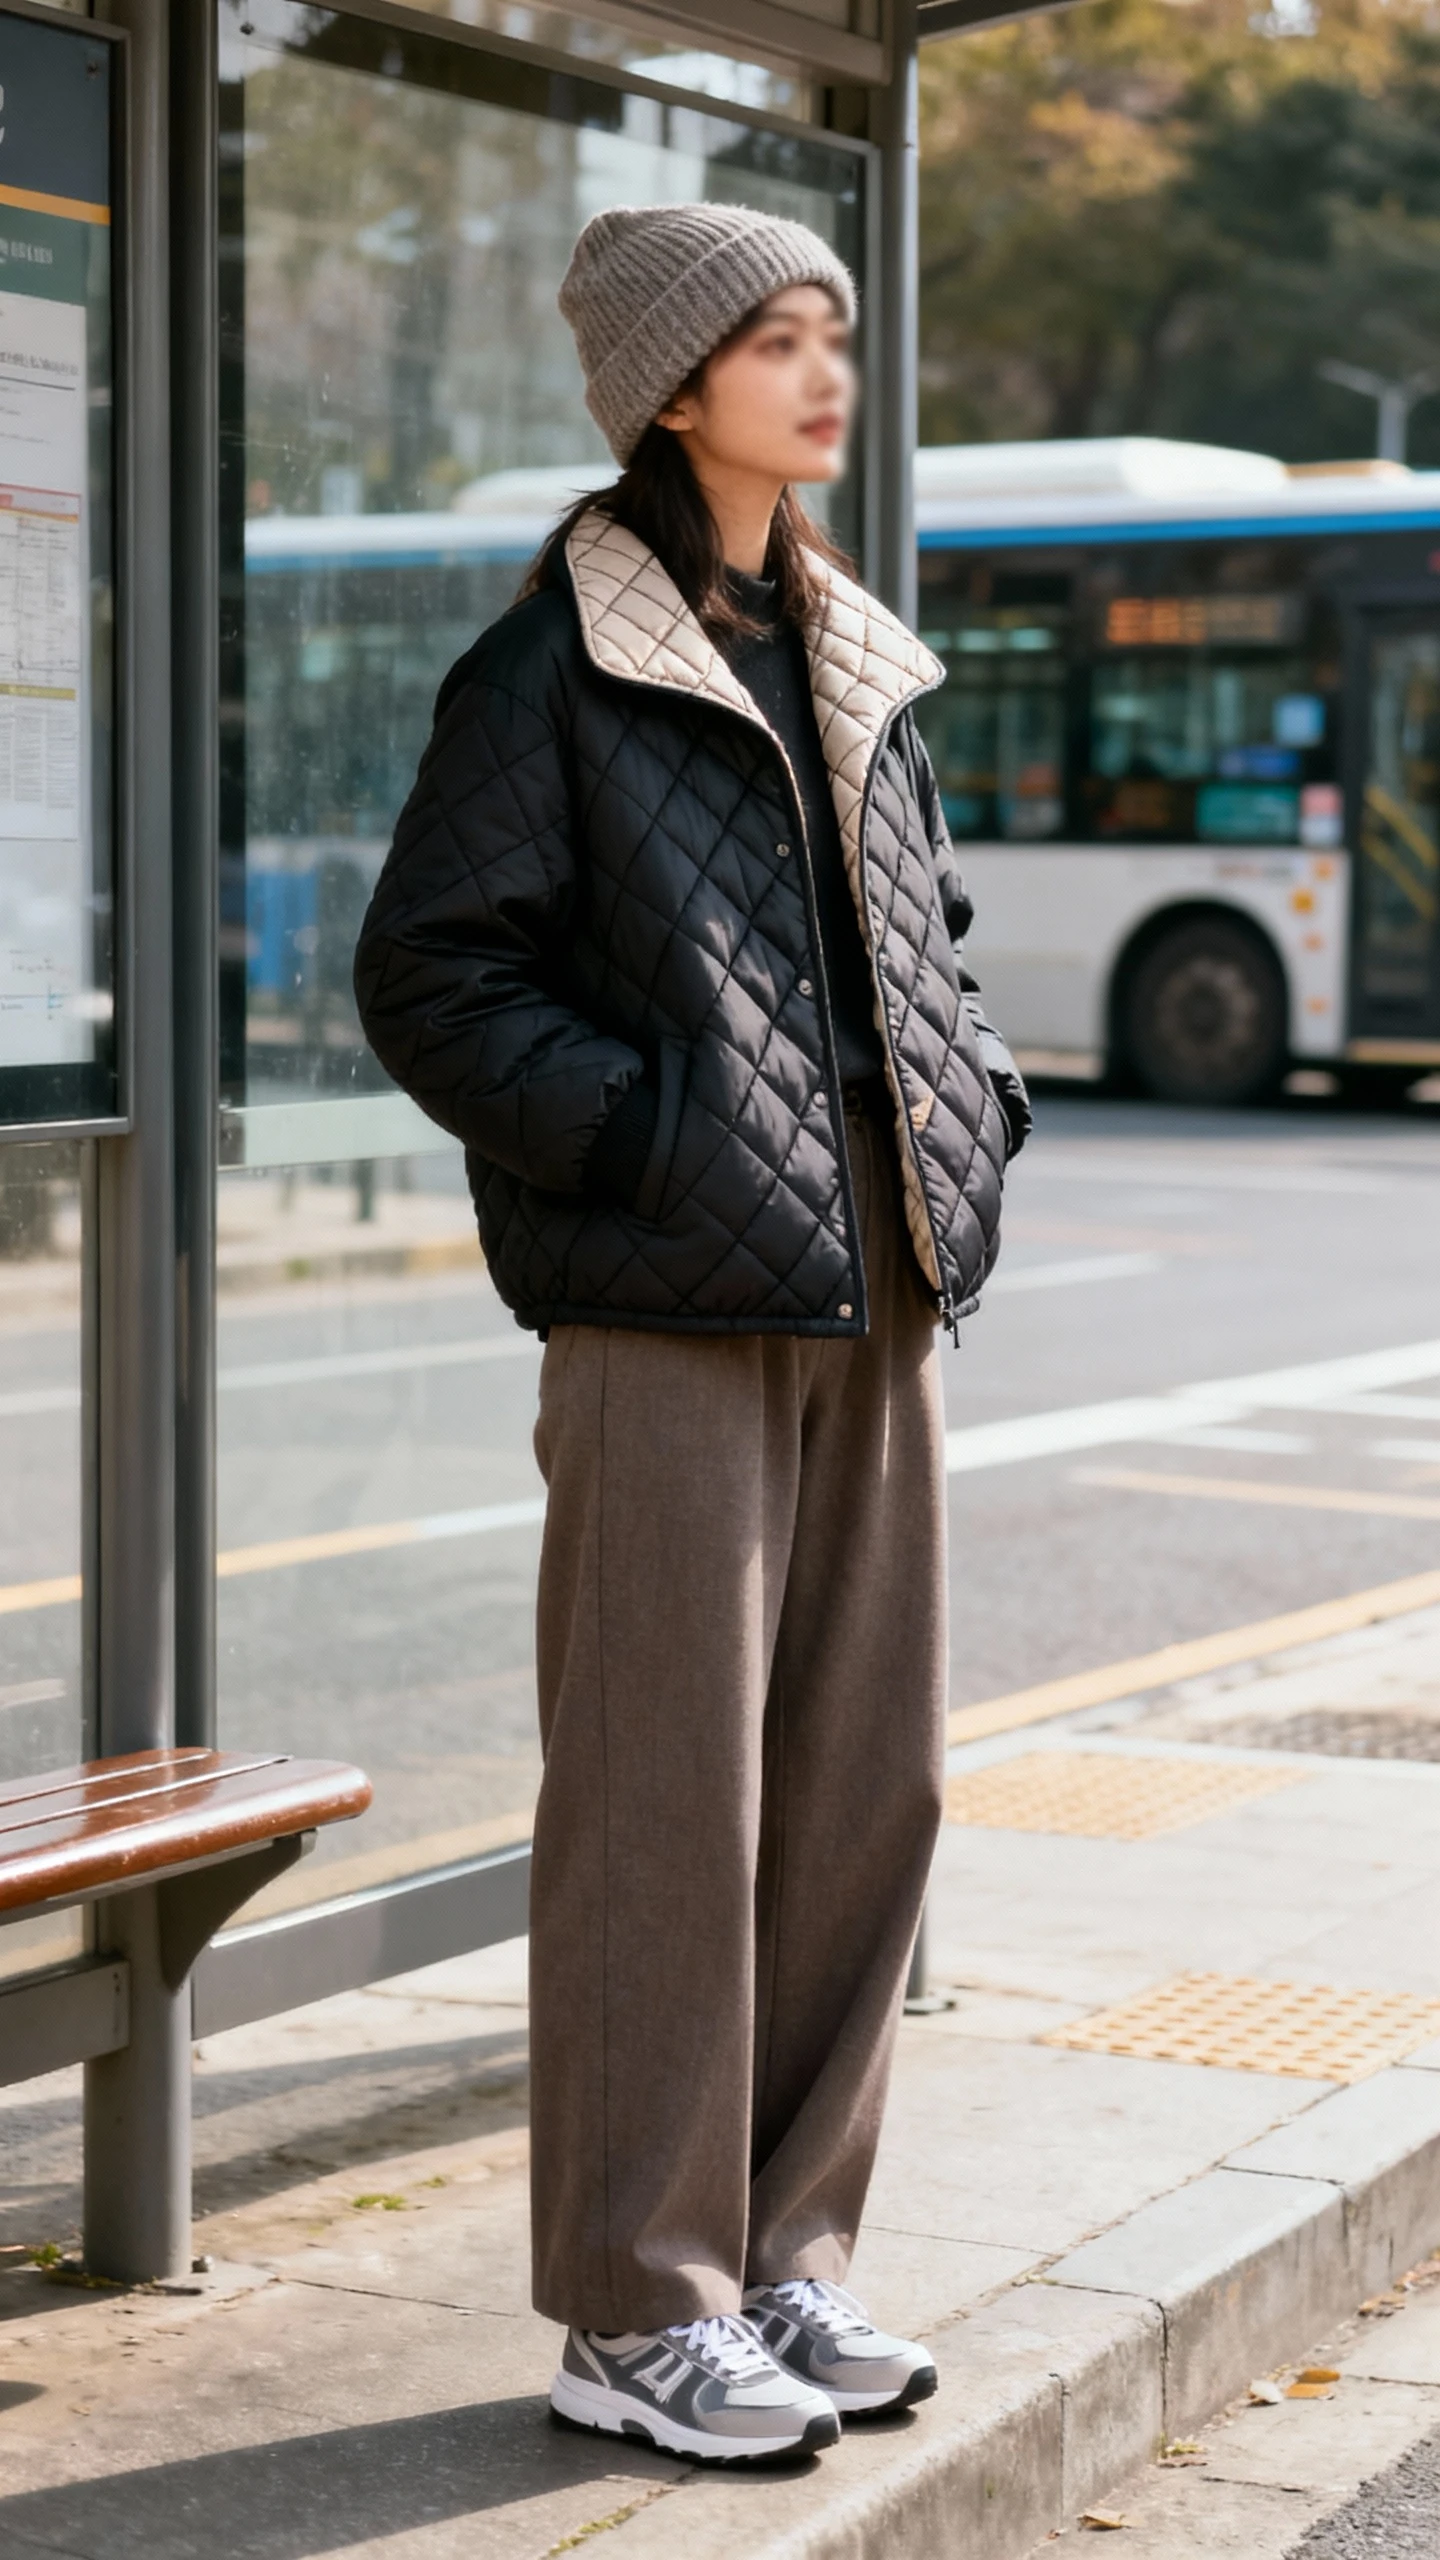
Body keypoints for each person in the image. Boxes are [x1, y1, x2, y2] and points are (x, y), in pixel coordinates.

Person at [354, 200, 1030, 2469]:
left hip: (877, 1284)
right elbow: (432, 976)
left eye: (833, 330)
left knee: (861, 1792)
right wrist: (648, 1132)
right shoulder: (550, 663)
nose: (826, 372)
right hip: (664, 1303)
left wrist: (975, 1106)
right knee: (664, 1803)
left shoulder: (853, 655)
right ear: (669, 387)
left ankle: (788, 2253)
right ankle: (635, 2305)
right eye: (775, 340)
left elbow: (928, 937)